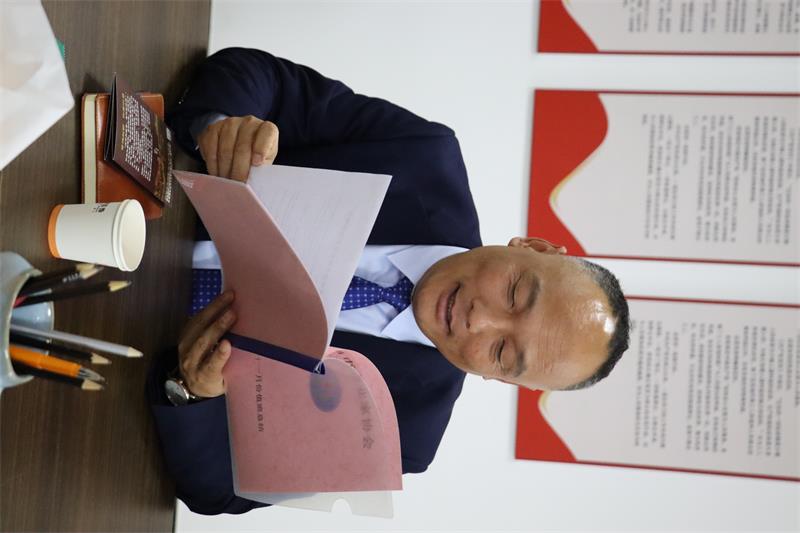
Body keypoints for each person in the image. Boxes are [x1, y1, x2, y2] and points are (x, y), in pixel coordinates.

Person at [146, 47, 630, 515]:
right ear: (532, 246)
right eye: (515, 293)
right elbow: (261, 78)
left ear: (500, 379)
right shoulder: (423, 157)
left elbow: (220, 491)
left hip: (128, 342)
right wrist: (225, 128)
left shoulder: (405, 431)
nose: (479, 319)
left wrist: (193, 393)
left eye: (503, 352)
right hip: (143, 200)